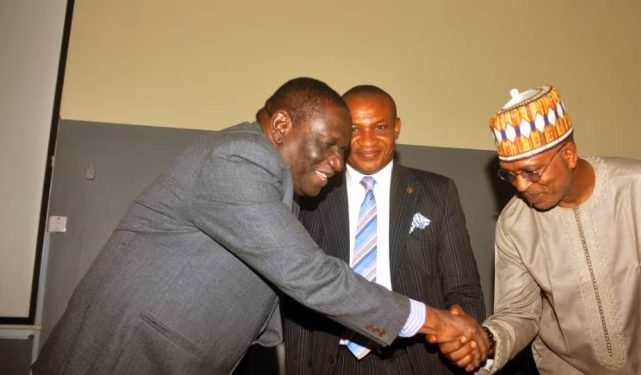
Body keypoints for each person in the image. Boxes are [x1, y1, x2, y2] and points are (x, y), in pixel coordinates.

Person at [32, 77, 487, 375]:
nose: (337, 162)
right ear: (281, 125)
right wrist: (428, 319)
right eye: (330, 146)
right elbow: (309, 275)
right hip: (124, 359)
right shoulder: (240, 159)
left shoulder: (279, 195)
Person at [441, 86, 641, 374]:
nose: (521, 186)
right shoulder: (514, 224)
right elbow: (519, 312)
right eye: (509, 174)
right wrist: (486, 340)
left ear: (568, 154)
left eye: (532, 171)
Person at [282, 85, 486, 374]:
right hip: (333, 360)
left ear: (397, 128)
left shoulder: (438, 192)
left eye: (379, 126)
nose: (367, 140)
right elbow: (298, 300)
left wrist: (463, 339)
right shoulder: (312, 195)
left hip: (419, 359)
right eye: (354, 129)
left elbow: (464, 289)